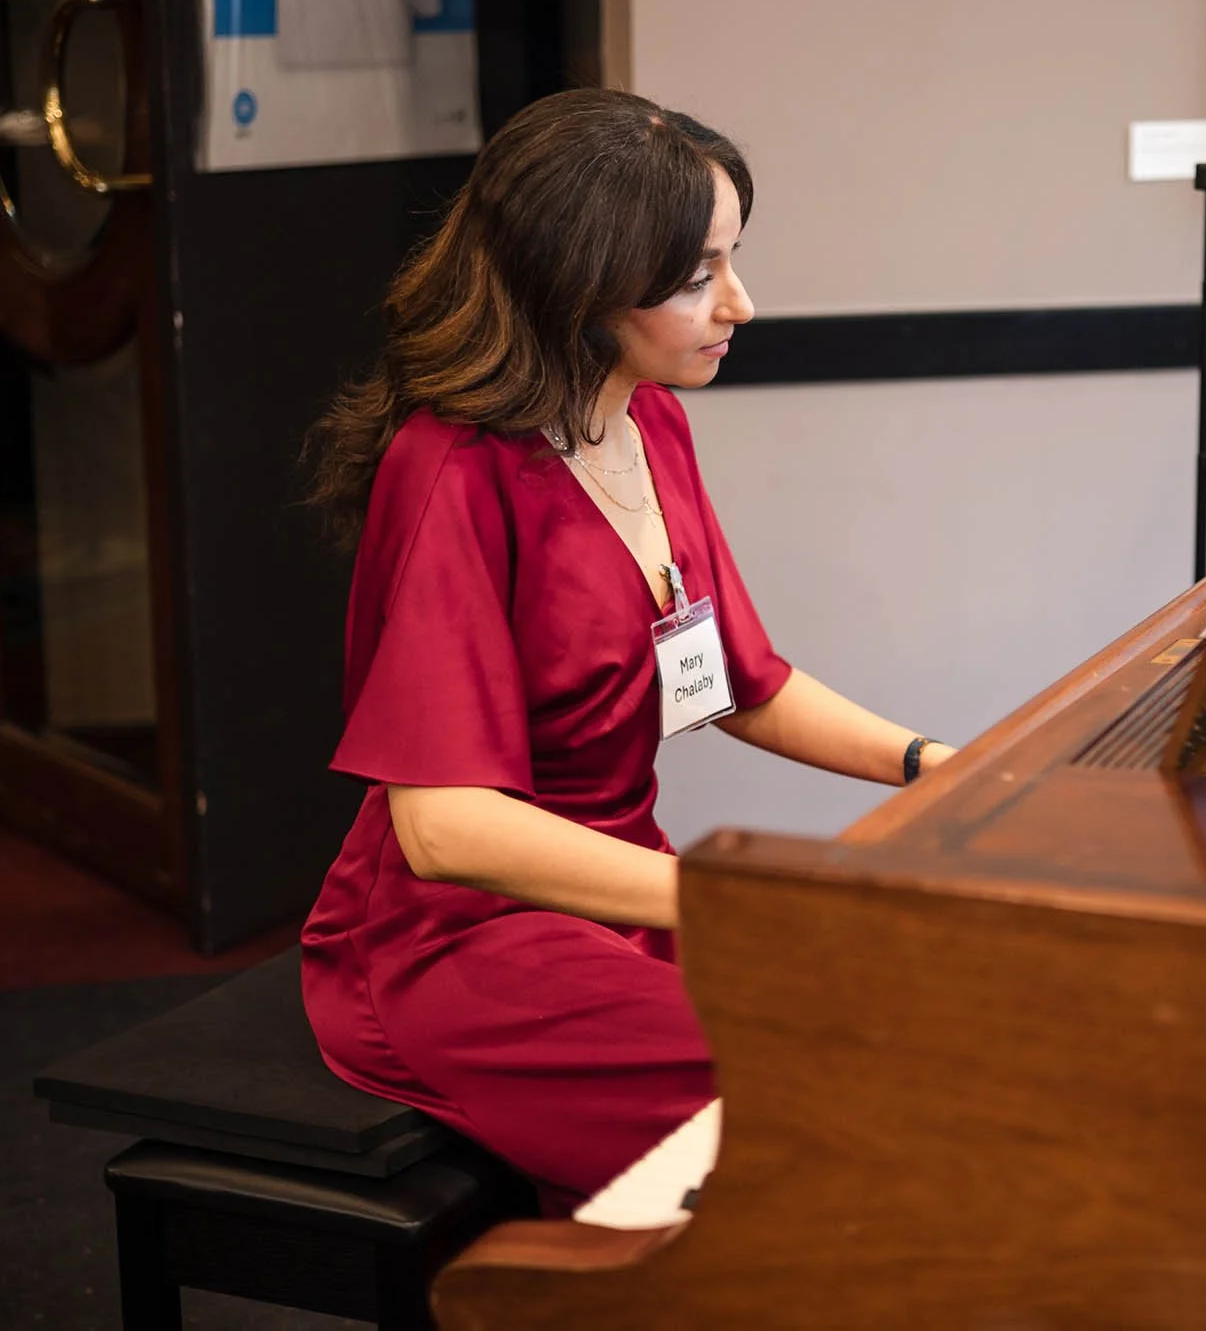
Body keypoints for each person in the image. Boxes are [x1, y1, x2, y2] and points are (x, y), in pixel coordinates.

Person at [300, 88, 955, 1213]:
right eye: (699, 275)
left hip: (623, 893)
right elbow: (443, 826)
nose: (740, 305)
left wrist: (932, 762)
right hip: (462, 939)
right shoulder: (453, 468)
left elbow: (744, 682)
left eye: (731, 260)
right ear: (582, 283)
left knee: (907, 1020)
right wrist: (723, 902)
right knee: (823, 1087)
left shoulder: (650, 419)